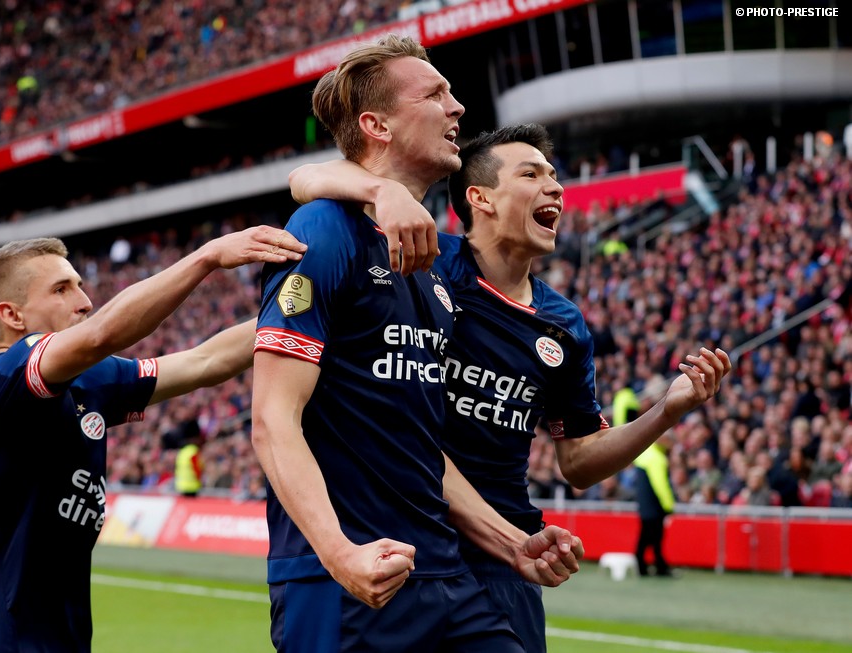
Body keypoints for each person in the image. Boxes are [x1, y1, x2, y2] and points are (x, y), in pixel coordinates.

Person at [289, 122, 732, 650]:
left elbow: (579, 461)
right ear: (481, 198)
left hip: (506, 557)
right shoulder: (424, 264)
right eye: (531, 174)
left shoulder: (564, 324)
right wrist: (384, 191)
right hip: (410, 540)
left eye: (554, 175)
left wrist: (666, 410)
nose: (555, 187)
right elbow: (306, 179)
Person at [251, 36, 582, 653]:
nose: (457, 107)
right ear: (377, 125)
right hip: (349, 578)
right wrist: (339, 554)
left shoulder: (430, 268)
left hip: (444, 571)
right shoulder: (325, 229)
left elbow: (421, 445)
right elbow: (273, 419)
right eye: (434, 95)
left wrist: (511, 543)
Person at [0, 228, 307, 653]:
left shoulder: (87, 380)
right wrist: (206, 257)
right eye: (61, 289)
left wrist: (307, 313)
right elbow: (102, 334)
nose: (84, 300)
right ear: (12, 316)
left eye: (79, 284)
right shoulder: (6, 377)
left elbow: (206, 361)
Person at [633, 433, 675, 577]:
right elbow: (660, 485)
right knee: (655, 537)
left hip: (645, 506)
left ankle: (645, 565)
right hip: (655, 507)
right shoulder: (657, 458)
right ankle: (659, 567)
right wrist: (668, 505)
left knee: (645, 537)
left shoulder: (644, 454)